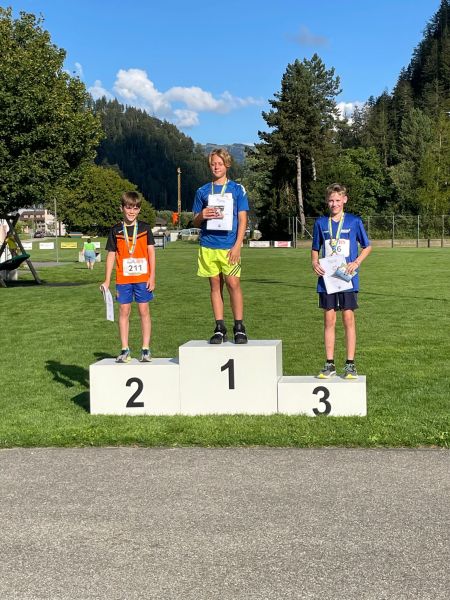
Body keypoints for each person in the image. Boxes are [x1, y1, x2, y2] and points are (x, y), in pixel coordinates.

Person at [311, 183, 371, 379]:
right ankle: (329, 364)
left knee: (348, 319)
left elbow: (367, 246)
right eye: (331, 200)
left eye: (338, 200)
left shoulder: (354, 221)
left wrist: (356, 262)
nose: (334, 204)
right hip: (327, 278)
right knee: (329, 319)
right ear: (327, 201)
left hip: (347, 277)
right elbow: (315, 248)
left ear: (345, 200)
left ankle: (350, 364)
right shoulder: (321, 223)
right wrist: (314, 262)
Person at [192, 148, 249, 344]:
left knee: (233, 284)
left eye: (219, 163)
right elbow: (195, 221)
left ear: (227, 165)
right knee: (215, 286)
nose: (216, 167)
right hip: (208, 245)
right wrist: (202, 215)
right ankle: (219, 327)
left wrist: (238, 245)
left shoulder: (237, 189)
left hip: (229, 246)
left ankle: (239, 327)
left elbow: (243, 219)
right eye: (213, 164)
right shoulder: (202, 191)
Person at [101, 191, 156, 363]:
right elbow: (111, 255)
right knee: (124, 311)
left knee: (144, 310)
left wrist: (152, 276)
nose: (132, 211)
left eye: (136, 208)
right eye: (129, 207)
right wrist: (107, 280)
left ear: (139, 209)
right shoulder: (115, 230)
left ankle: (145, 349)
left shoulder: (145, 228)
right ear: (122, 208)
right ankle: (125, 349)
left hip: (142, 278)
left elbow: (151, 253)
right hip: (123, 279)